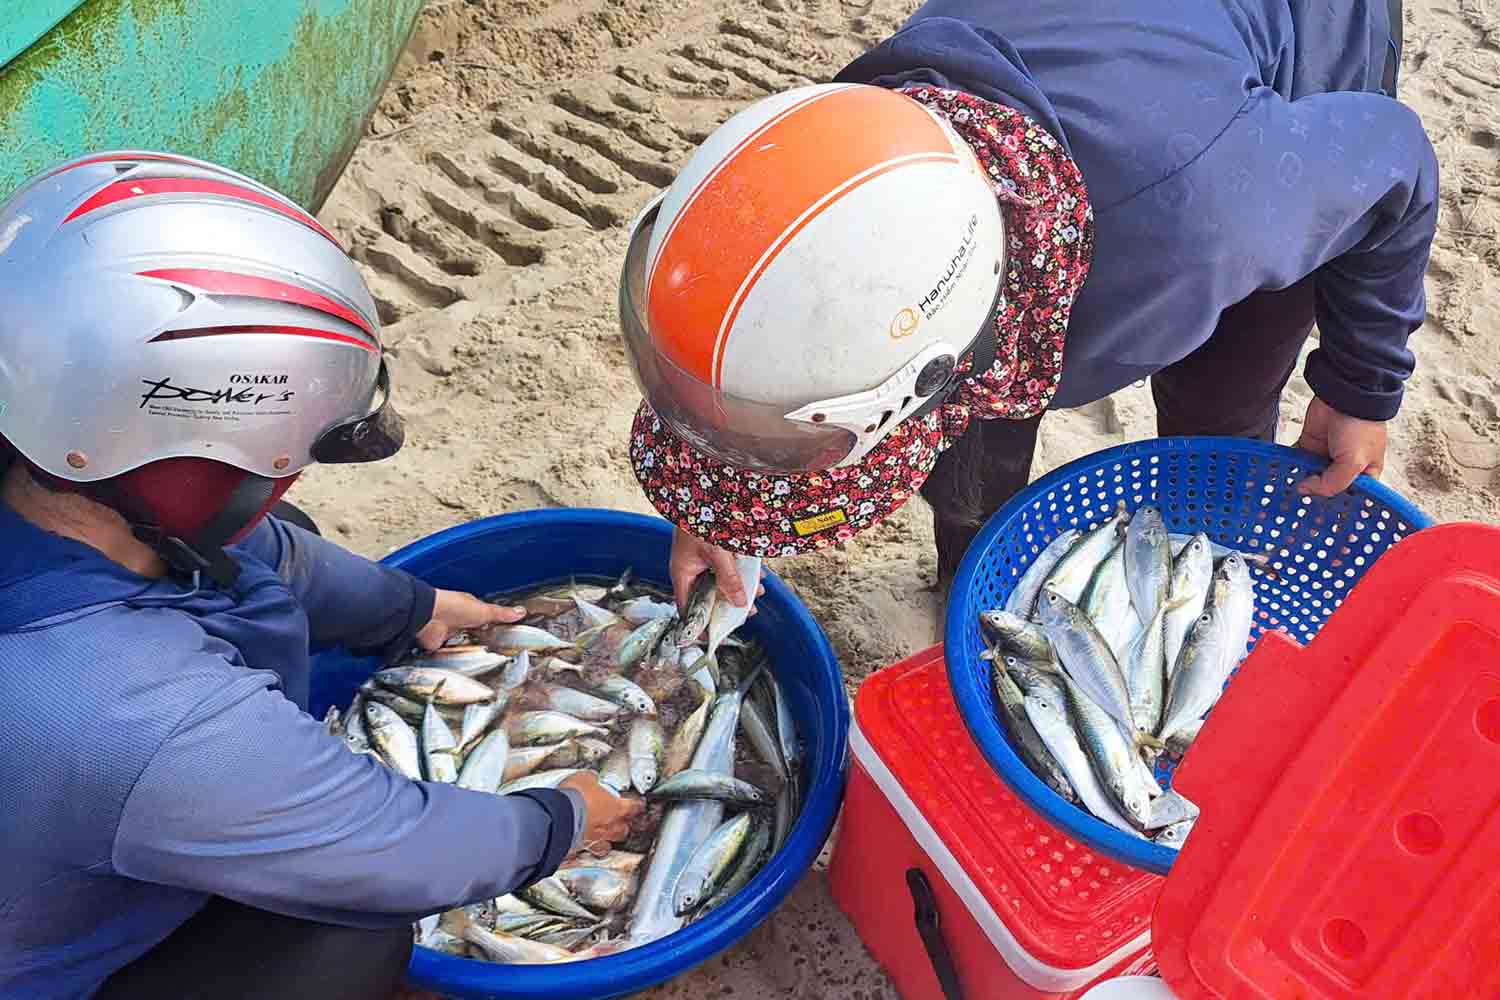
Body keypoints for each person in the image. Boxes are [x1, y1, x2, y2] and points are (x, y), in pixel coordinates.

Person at [0, 151, 640, 1000]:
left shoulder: (67, 475)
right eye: (284, 460)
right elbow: (393, 849)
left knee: (268, 546)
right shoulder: (129, 715)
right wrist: (560, 823)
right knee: (340, 949)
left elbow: (252, 545)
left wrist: (408, 607)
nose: (289, 479)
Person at [619, 0, 1435, 605]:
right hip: (1112, 76)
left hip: (1285, 79)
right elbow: (762, 362)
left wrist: (1359, 386)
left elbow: (1396, 158)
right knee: (967, 435)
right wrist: (722, 498)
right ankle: (970, 572)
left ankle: (1207, 563)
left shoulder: (1204, 222)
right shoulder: (846, 148)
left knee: (1224, 393)